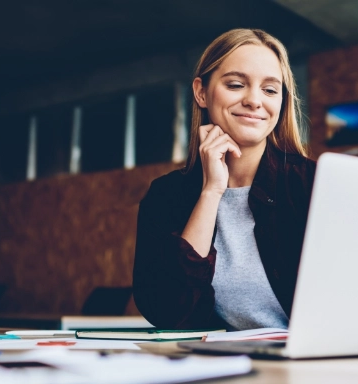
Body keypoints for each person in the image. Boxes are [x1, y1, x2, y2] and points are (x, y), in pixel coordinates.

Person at [133, 29, 316, 330]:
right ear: (201, 92)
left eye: (270, 90)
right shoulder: (167, 195)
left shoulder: (312, 184)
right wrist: (211, 191)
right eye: (235, 84)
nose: (255, 101)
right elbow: (168, 311)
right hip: (220, 367)